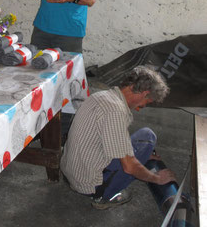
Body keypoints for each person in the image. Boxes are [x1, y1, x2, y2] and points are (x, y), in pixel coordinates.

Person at [60, 66, 176, 210]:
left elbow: (112, 139)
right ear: (144, 94)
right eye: (147, 102)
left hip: (69, 171)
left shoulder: (102, 96)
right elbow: (130, 167)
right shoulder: (115, 111)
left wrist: (144, 156)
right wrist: (157, 178)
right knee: (147, 139)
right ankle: (104, 196)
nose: (142, 107)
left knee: (144, 139)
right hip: (88, 185)